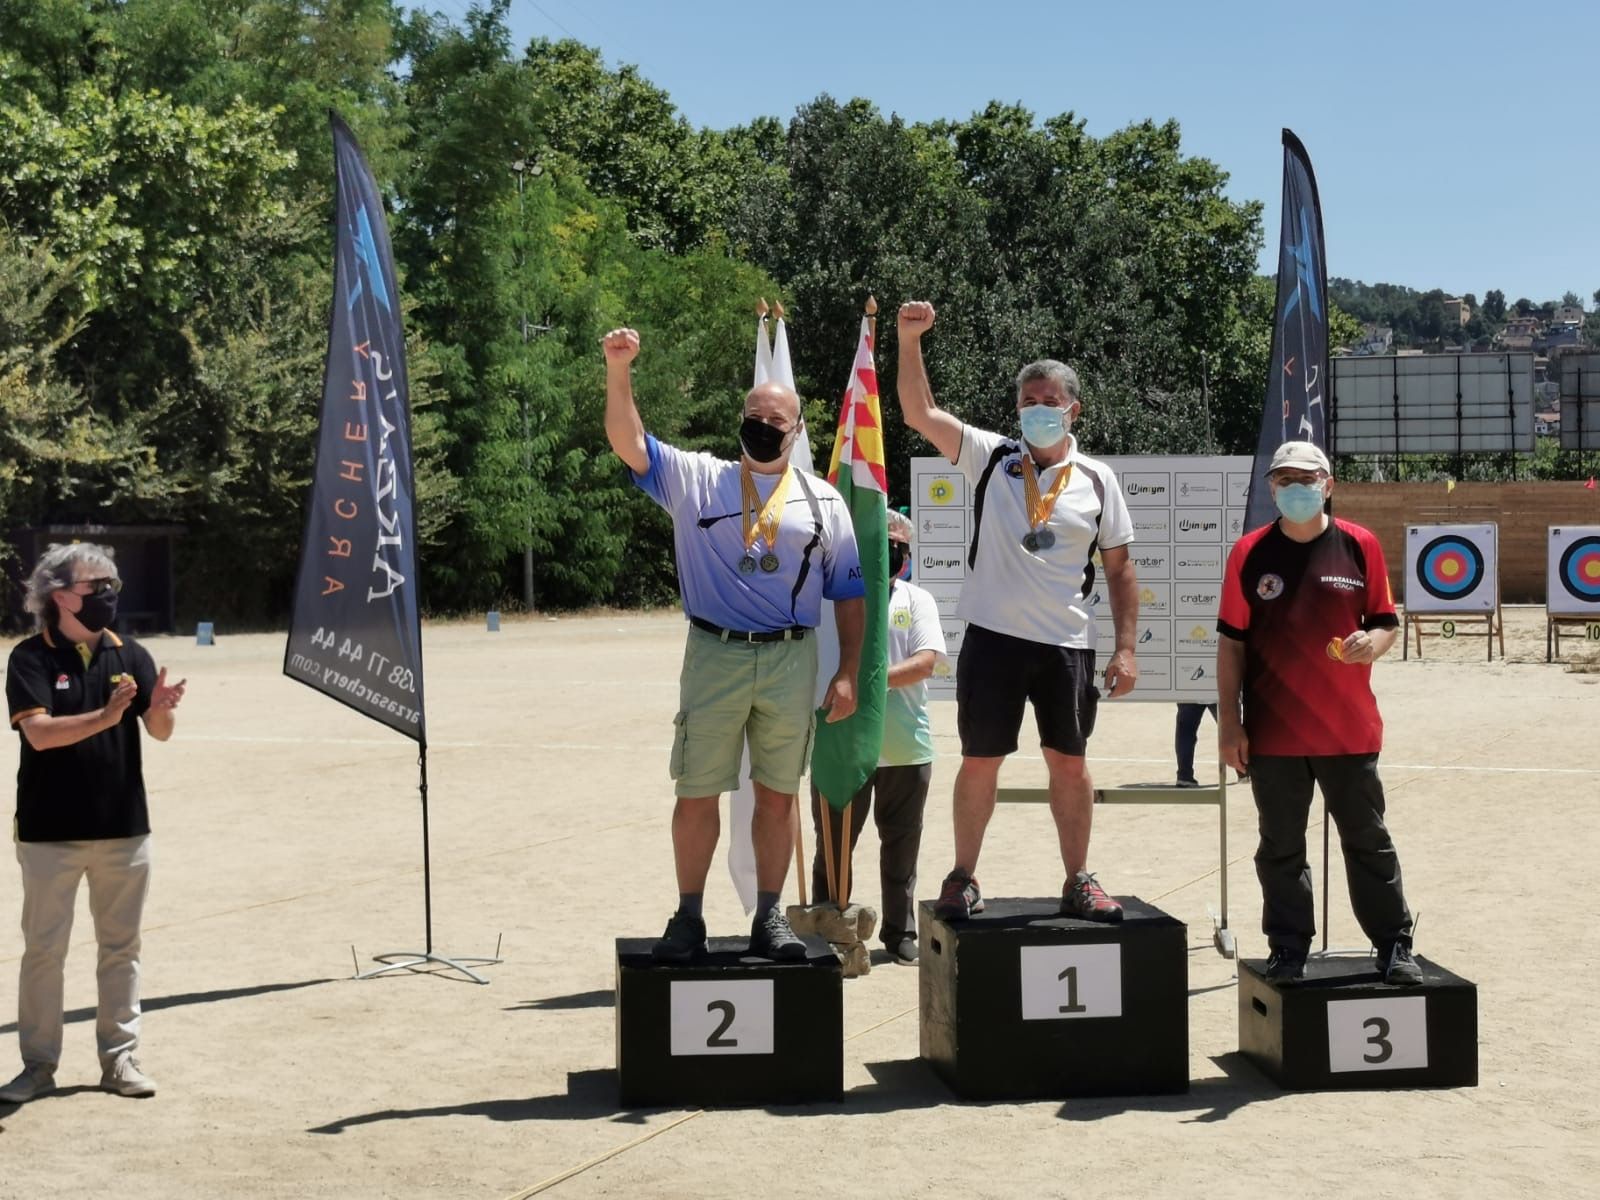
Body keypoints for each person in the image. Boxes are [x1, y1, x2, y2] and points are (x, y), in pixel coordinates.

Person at [602, 326, 866, 963]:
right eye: (754, 416)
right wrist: (619, 371)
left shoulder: (825, 502)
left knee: (777, 796)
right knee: (696, 791)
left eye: (776, 420)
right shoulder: (697, 478)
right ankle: (688, 917)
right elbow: (630, 443)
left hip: (789, 658)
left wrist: (849, 671)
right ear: (739, 420)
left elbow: (850, 595)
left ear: (797, 431)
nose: (763, 426)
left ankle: (770, 918)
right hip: (714, 653)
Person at [893, 300, 1139, 924]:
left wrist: (1127, 647)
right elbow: (918, 412)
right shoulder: (991, 458)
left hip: (1066, 644)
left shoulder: (1099, 480)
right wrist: (909, 338)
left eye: (1048, 402)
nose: (1035, 411)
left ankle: (1079, 878)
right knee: (980, 761)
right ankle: (963, 876)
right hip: (994, 640)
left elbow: (1119, 569)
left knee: (1071, 763)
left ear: (1072, 410)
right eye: (1027, 402)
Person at [1216, 440, 1422, 986]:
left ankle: (1394, 946)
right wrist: (1230, 726)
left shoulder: (1360, 545)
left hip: (1349, 730)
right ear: (1271, 489)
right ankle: (1288, 949)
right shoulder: (1248, 553)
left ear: (1328, 484)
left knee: (1368, 841)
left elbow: (1385, 621)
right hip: (1274, 733)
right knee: (1280, 847)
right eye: (1283, 480)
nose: (1294, 488)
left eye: (1305, 479)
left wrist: (1371, 644)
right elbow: (1231, 644)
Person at [1, 543, 186, 1104]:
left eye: (112, 586)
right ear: (59, 595)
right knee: (44, 953)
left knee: (121, 949)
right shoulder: (28, 658)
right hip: (49, 832)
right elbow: (40, 734)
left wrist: (159, 707)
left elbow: (160, 733)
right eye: (95, 587)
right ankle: (37, 1066)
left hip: (124, 828)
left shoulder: (131, 653)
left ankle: (120, 1060)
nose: (108, 597)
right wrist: (108, 715)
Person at [810, 509, 947, 964]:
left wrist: (868, 678)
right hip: (842, 746)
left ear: (905, 555)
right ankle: (827, 926)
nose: (889, 553)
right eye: (879, 543)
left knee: (902, 849)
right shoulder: (832, 602)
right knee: (833, 847)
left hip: (905, 750)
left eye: (896, 546)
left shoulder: (916, 600)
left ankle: (898, 931)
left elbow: (927, 661)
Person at [1174, 703, 1217, 787]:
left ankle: (1184, 776)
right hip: (1218, 691)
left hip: (1189, 692)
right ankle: (1244, 769)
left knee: (1185, 729)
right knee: (1231, 723)